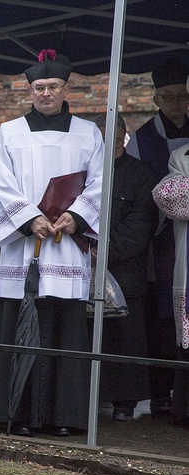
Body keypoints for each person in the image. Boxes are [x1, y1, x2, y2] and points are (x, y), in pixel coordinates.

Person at [0, 50, 103, 437]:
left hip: (67, 246)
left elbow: (101, 182)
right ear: (30, 90)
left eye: (53, 86)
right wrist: (28, 217)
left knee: (65, 330)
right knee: (21, 323)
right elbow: (1, 183)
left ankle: (63, 417)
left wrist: (79, 215)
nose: (46, 93)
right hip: (25, 249)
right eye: (39, 87)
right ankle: (19, 415)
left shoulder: (89, 132)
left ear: (65, 88)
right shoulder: (9, 132)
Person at [125, 59, 189, 415]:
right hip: (161, 238)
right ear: (155, 99)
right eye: (168, 97)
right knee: (162, 313)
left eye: (182, 96)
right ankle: (162, 389)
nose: (176, 103)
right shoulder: (142, 139)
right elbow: (140, 188)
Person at [92, 113, 157, 420]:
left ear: (123, 138)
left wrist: (96, 248)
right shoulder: (83, 172)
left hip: (125, 272)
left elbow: (140, 227)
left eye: (114, 140)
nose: (109, 146)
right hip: (82, 271)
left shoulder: (142, 175)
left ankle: (124, 403)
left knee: (125, 341)